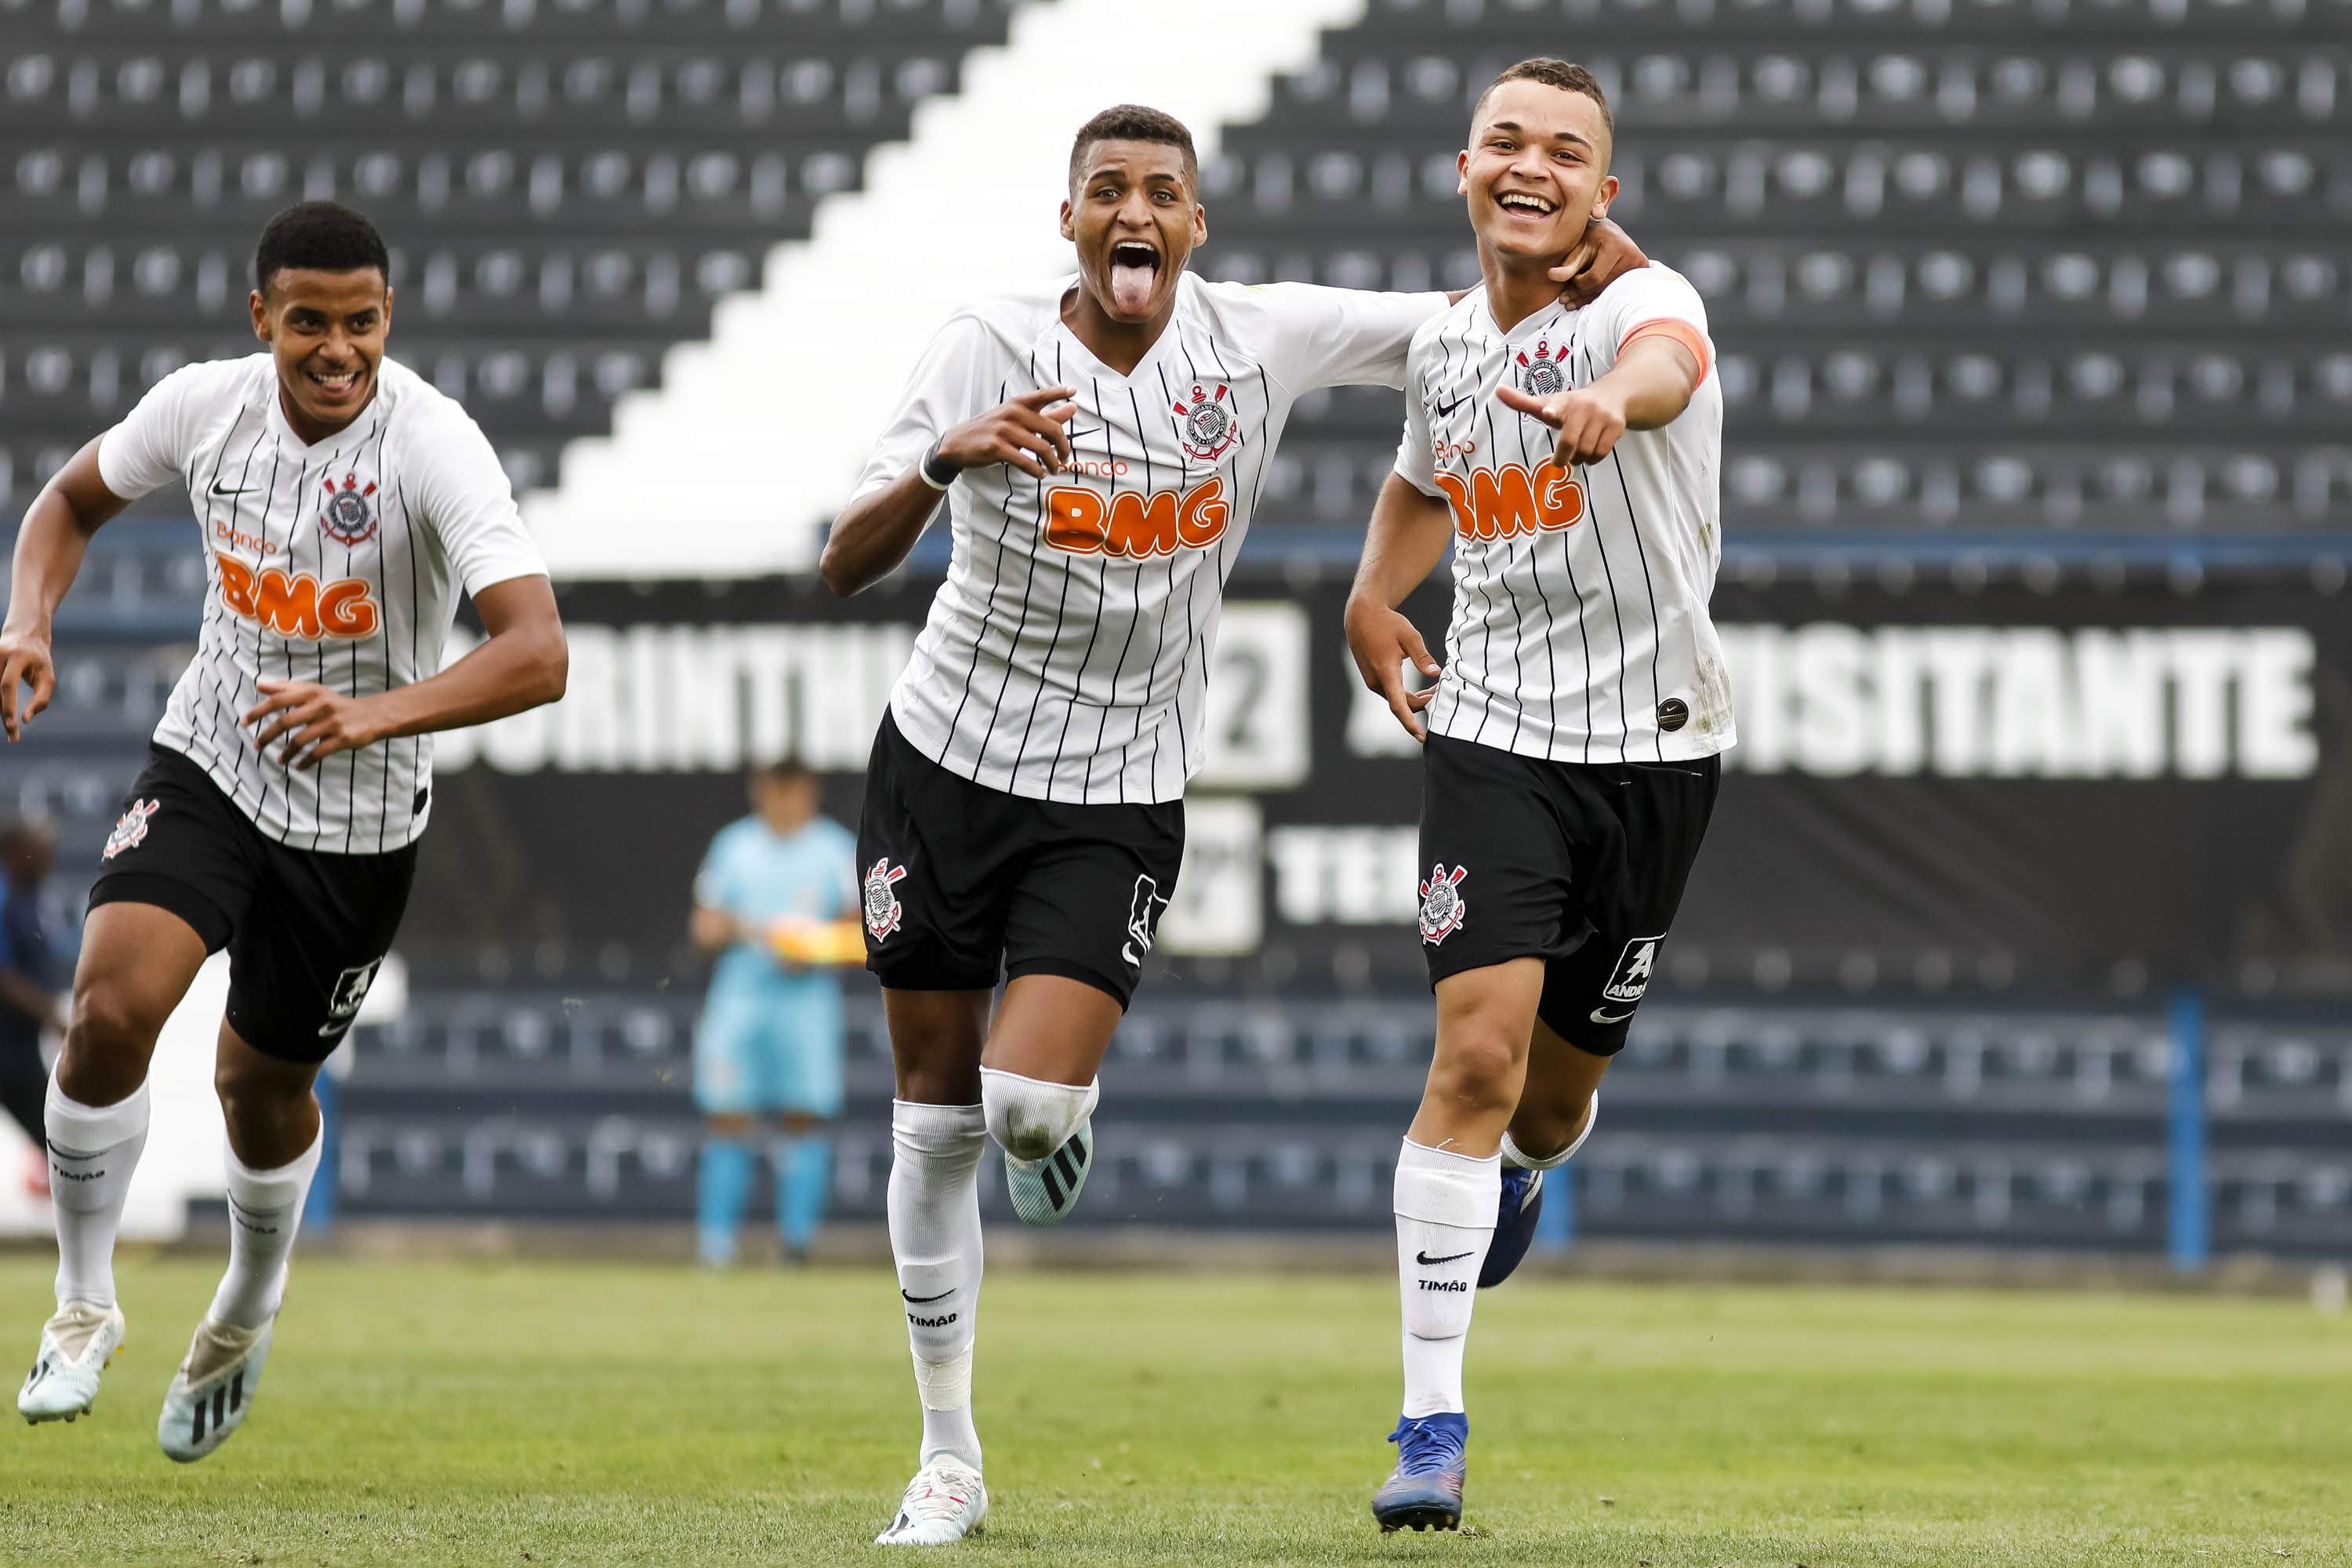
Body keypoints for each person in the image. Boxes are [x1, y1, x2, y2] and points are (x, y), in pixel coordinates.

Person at [821, 101, 1648, 1546]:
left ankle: (1052, 1129)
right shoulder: (985, 342)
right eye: (1105, 192)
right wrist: (948, 463)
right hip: (942, 764)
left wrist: (1606, 245)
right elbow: (843, 558)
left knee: (1022, 1109)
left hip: (1118, 794)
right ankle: (947, 1453)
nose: (1132, 215)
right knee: (934, 1112)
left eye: (1162, 195)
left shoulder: (1259, 336)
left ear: (1195, 226)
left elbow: (1479, 312)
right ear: (1068, 218)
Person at [0, 200, 568, 1459]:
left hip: (358, 826)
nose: (337, 349)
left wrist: (374, 715)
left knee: (260, 1090)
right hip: (213, 760)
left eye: (360, 323)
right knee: (105, 1011)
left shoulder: (437, 446)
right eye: (308, 321)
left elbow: (538, 654)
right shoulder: (204, 406)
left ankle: (247, 1304)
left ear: (387, 318)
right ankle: (83, 1305)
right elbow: (65, 505)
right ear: (262, 317)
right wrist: (27, 622)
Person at [1343, 59, 1733, 1533]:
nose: (1531, 165)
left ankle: (1524, 1169)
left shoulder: (1647, 307)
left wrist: (1607, 409)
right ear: (1463, 167)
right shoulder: (1444, 345)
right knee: (1475, 1059)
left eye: (1564, 150)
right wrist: (1371, 602)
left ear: (1602, 191)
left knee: (1554, 1106)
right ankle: (1430, 1423)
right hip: (1493, 739)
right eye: (1506, 140)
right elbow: (1425, 477)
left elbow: (1670, 369)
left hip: (1657, 753)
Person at [687, 758, 860, 1267]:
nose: (785, 801)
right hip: (741, 999)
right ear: (759, 791)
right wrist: (757, 933)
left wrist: (815, 947)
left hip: (807, 1002)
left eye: (794, 790)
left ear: (812, 791)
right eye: (775, 790)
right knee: (728, 1116)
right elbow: (705, 926)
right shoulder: (734, 846)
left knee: (805, 1117)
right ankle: (716, 1248)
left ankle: (796, 1245)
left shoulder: (835, 850)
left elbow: (862, 934)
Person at [0, 816, 66, 1190]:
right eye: (39, 847)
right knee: (59, 1143)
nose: (49, 855)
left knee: (57, 1141)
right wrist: (50, 1014)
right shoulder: (5, 897)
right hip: (8, 1052)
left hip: (19, 1050)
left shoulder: (34, 900)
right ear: (15, 853)